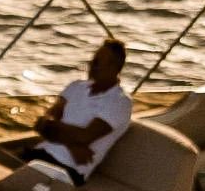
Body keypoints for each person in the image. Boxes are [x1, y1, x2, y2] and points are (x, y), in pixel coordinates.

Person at [22, 39, 135, 181]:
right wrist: (71, 144)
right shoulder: (75, 87)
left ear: (113, 68)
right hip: (39, 153)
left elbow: (84, 136)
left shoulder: (120, 102)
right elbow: (43, 122)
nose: (91, 66)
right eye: (92, 61)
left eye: (96, 62)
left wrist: (52, 128)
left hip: (68, 169)